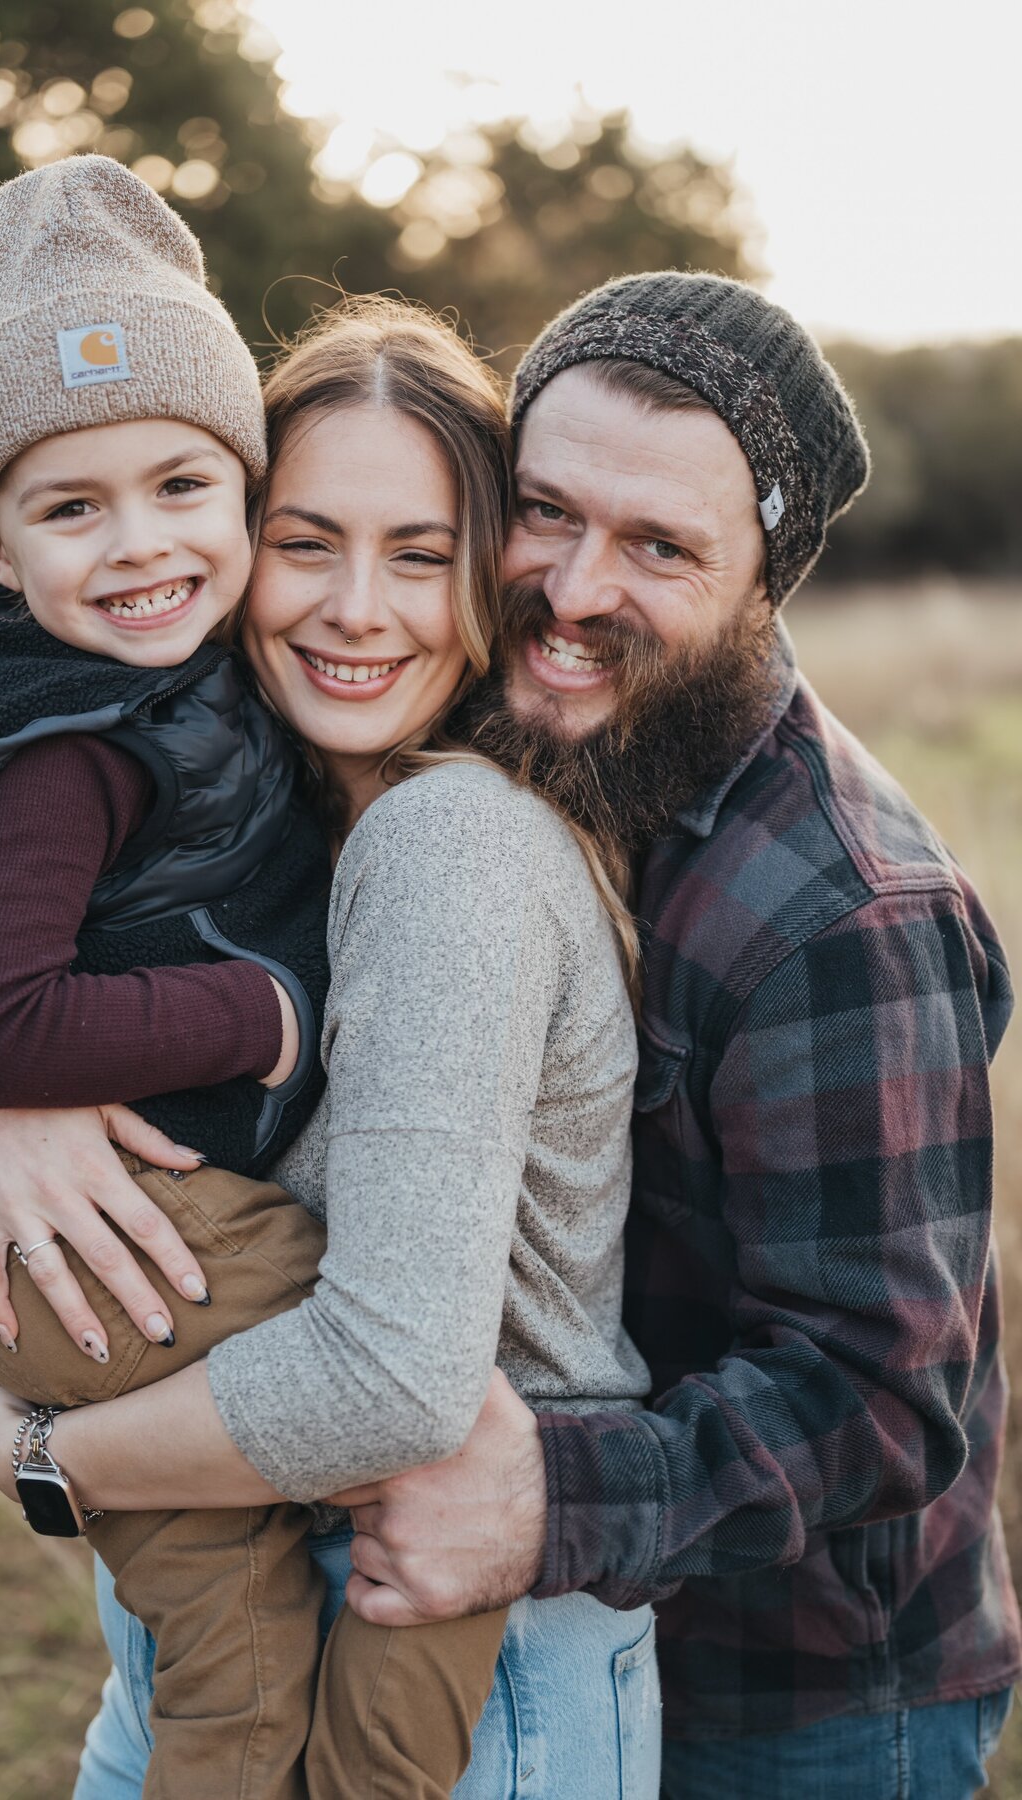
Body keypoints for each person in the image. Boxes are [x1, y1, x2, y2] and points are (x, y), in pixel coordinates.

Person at [0, 242, 662, 1794]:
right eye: (309, 542)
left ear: (487, 570)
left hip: (455, 1658)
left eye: (420, 556)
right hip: (236, 1607)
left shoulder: (441, 844)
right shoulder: (274, 797)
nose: (357, 610)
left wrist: (35, 1458)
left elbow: (395, 1384)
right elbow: (53, 936)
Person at [311, 274, 1022, 1798]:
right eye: (547, 511)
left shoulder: (845, 918)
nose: (571, 589)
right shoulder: (508, 727)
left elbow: (883, 1397)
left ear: (767, 577)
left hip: (802, 1703)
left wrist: (541, 1501)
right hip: (557, 1648)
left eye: (657, 547)